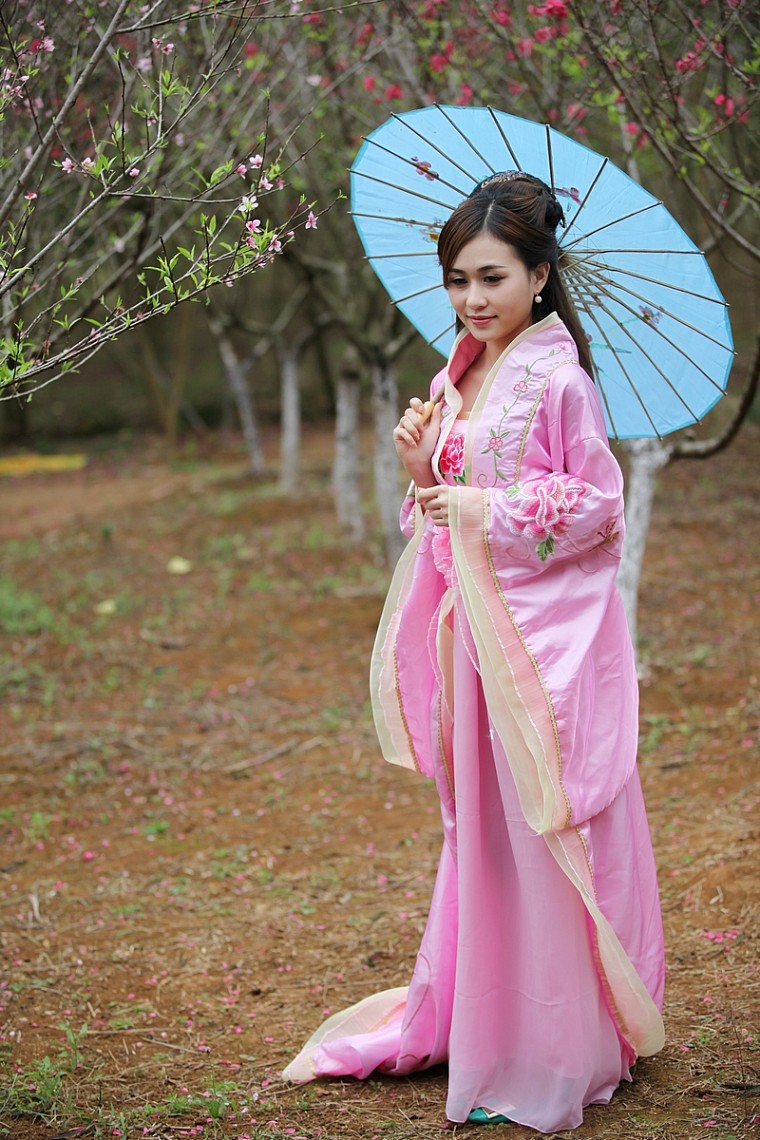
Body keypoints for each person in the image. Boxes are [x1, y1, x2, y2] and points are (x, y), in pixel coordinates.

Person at [282, 171, 665, 1133]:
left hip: (537, 648)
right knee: (483, 834)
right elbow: (439, 516)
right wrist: (423, 470)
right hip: (473, 638)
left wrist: (480, 505)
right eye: (458, 279)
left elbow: (597, 507)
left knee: (538, 832)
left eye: (492, 277)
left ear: (539, 275)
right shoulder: (458, 376)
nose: (473, 299)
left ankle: (555, 1041)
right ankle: (488, 1020)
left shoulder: (561, 381)